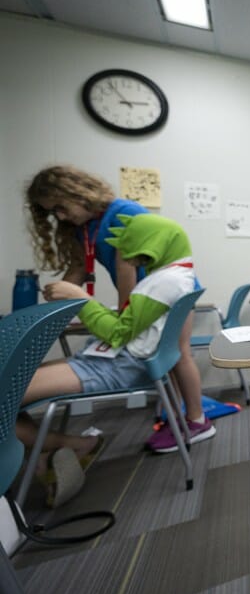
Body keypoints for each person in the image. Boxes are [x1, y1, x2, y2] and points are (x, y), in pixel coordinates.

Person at [25, 166, 213, 453]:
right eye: (54, 213)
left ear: (77, 192)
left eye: (61, 207)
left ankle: (195, 419)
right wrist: (59, 300)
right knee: (168, 355)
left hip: (160, 293)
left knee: (177, 354)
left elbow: (128, 268)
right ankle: (178, 419)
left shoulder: (125, 214)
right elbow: (77, 270)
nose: (61, 216)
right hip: (145, 295)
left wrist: (114, 314)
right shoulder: (81, 229)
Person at [18, 213, 199, 508]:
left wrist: (80, 297)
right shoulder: (176, 276)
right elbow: (128, 323)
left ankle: (67, 446)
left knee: (9, 391)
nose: (129, 259)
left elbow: (118, 333)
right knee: (17, 382)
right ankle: (49, 450)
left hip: (119, 364)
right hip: (119, 359)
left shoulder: (162, 283)